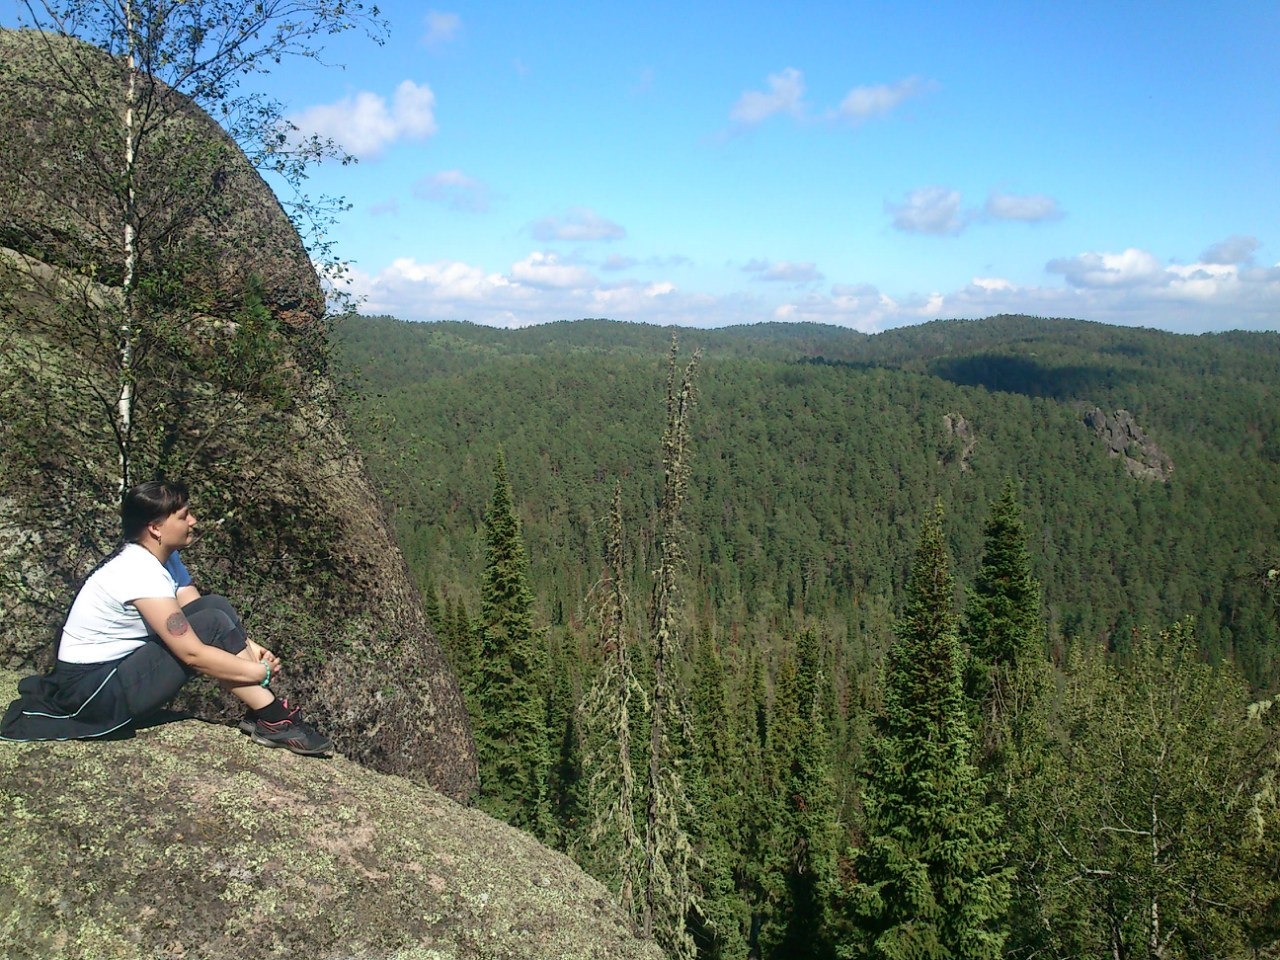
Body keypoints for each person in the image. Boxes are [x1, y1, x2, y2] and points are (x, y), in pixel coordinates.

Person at [1, 480, 332, 756]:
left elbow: (201, 610)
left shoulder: (163, 559)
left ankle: (267, 714)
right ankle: (273, 716)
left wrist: (250, 646)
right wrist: (256, 671)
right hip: (94, 692)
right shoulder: (139, 571)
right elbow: (192, 652)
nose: (194, 521)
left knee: (213, 606)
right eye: (184, 516)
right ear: (156, 528)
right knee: (212, 623)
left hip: (111, 674)